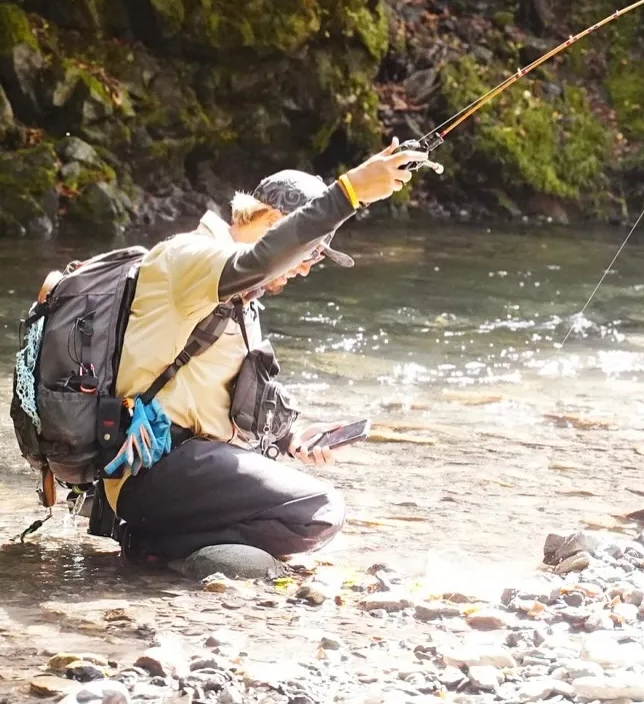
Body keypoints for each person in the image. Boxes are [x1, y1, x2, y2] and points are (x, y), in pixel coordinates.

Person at [102, 138, 427, 567]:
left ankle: (162, 542)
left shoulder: (240, 298)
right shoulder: (192, 255)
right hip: (154, 469)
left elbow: (227, 397)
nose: (307, 267)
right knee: (319, 511)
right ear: (274, 221)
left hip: (189, 467)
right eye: (311, 250)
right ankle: (154, 544)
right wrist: (350, 192)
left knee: (313, 514)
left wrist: (292, 438)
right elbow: (260, 260)